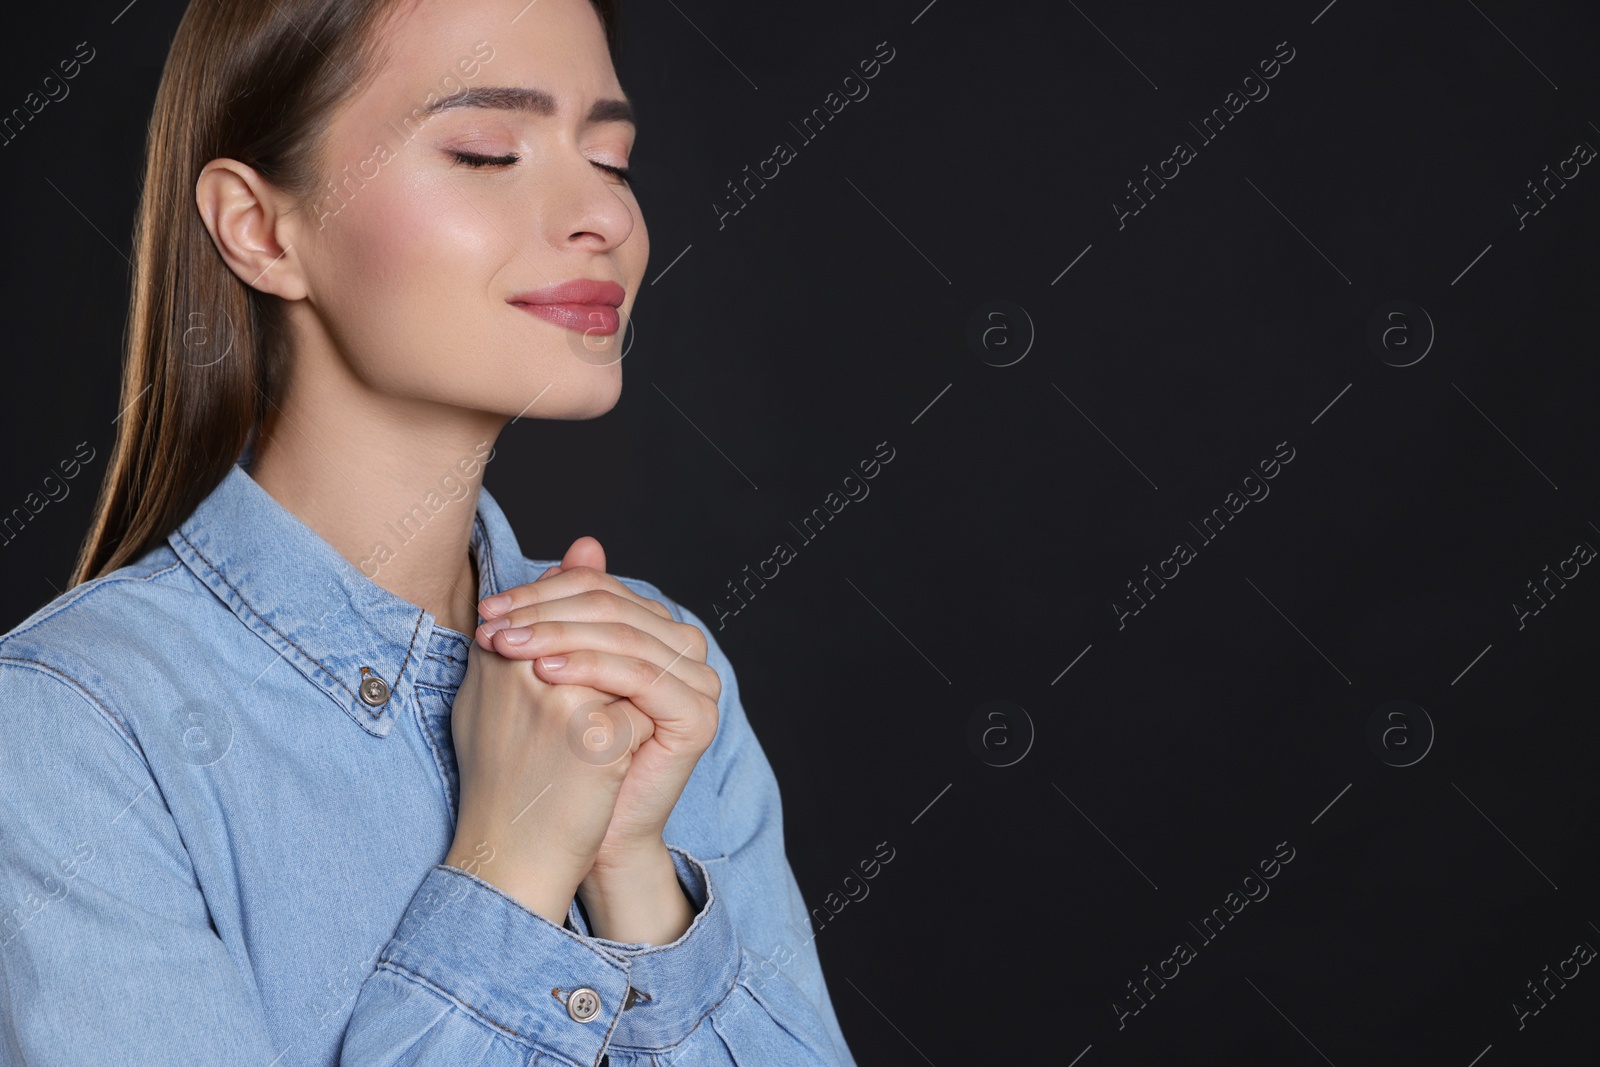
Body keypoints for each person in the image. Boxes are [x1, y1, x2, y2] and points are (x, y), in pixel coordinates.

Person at [0, 1, 856, 1063]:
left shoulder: (654, 671)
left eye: (611, 156)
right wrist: (514, 858)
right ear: (260, 228)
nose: (601, 213)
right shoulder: (69, 727)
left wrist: (634, 868)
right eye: (487, 151)